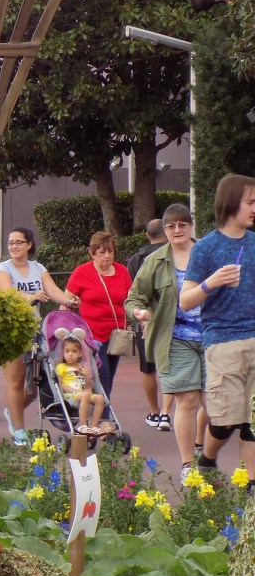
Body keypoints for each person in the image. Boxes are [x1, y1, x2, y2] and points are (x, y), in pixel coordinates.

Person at [126, 204, 209, 483]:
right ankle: (187, 465)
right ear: (164, 230)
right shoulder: (155, 261)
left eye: (182, 224)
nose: (177, 230)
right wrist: (139, 312)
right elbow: (134, 297)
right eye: (171, 226)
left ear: (191, 226)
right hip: (175, 339)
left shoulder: (207, 253)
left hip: (212, 338)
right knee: (187, 400)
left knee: (214, 405)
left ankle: (203, 450)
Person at [180, 173, 255, 480]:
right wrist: (211, 283)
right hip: (223, 341)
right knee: (226, 422)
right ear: (231, 202)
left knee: (251, 422)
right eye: (250, 202)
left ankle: (251, 484)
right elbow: (186, 301)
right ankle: (207, 457)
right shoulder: (206, 247)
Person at [0, 226, 78, 446]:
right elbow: (7, 292)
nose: (14, 246)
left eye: (18, 242)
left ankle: (13, 411)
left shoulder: (37, 267)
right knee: (16, 381)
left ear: (29, 244)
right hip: (11, 331)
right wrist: (30, 297)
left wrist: (67, 301)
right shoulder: (3, 268)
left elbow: (53, 290)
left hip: (34, 330)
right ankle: (20, 430)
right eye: (10, 243)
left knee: (35, 384)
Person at [64, 231, 132, 399]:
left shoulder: (122, 272)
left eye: (110, 251)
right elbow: (65, 303)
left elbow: (131, 299)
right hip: (92, 336)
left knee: (109, 380)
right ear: (92, 253)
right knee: (102, 379)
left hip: (116, 336)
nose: (107, 256)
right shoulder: (82, 272)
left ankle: (95, 411)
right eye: (102, 252)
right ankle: (103, 414)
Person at [127, 218, 172, 429]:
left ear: (147, 235)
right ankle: (166, 412)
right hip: (170, 319)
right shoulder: (175, 253)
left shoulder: (137, 259)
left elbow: (134, 291)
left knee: (147, 368)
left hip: (143, 319)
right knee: (172, 366)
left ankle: (154, 412)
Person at [55, 336, 107, 434]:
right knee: (85, 395)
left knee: (100, 398)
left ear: (80, 354)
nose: (70, 354)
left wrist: (89, 390)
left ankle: (94, 426)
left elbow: (86, 384)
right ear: (63, 353)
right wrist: (75, 391)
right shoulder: (61, 367)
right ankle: (82, 425)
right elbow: (61, 385)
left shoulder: (81, 368)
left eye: (74, 351)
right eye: (67, 351)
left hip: (83, 394)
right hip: (69, 395)